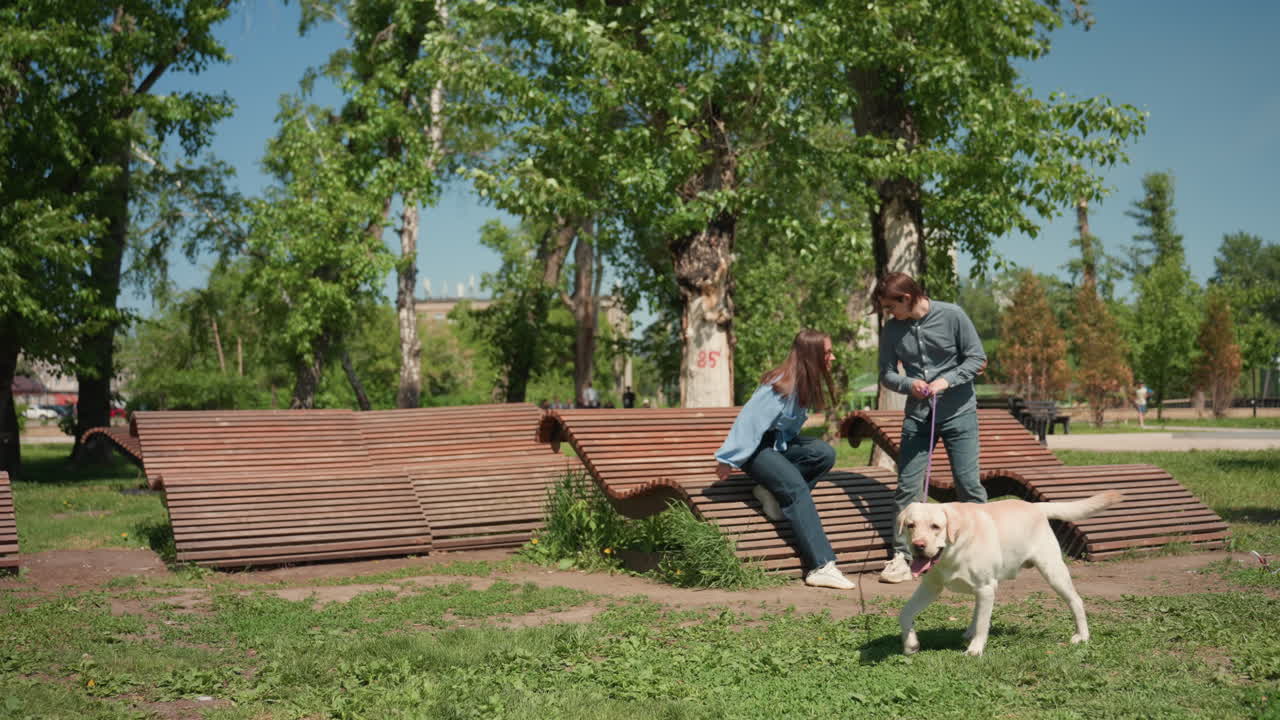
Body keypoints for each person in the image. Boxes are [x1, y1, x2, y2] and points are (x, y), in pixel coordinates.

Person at [714, 329, 856, 590]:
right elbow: (749, 424)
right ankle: (821, 566)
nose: (832, 357)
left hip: (778, 445)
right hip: (756, 450)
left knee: (824, 453)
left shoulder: (803, 383)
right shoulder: (779, 385)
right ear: (811, 355)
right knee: (795, 487)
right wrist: (727, 460)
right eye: (827, 352)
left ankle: (770, 491)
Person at [875, 272, 988, 584]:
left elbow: (977, 358)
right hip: (918, 416)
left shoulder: (953, 315)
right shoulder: (893, 329)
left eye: (890, 306)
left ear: (907, 298)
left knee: (967, 484)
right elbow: (886, 373)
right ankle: (902, 555)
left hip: (959, 412)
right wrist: (909, 383)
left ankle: (979, 552)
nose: (889, 313)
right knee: (907, 487)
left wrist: (945, 380)